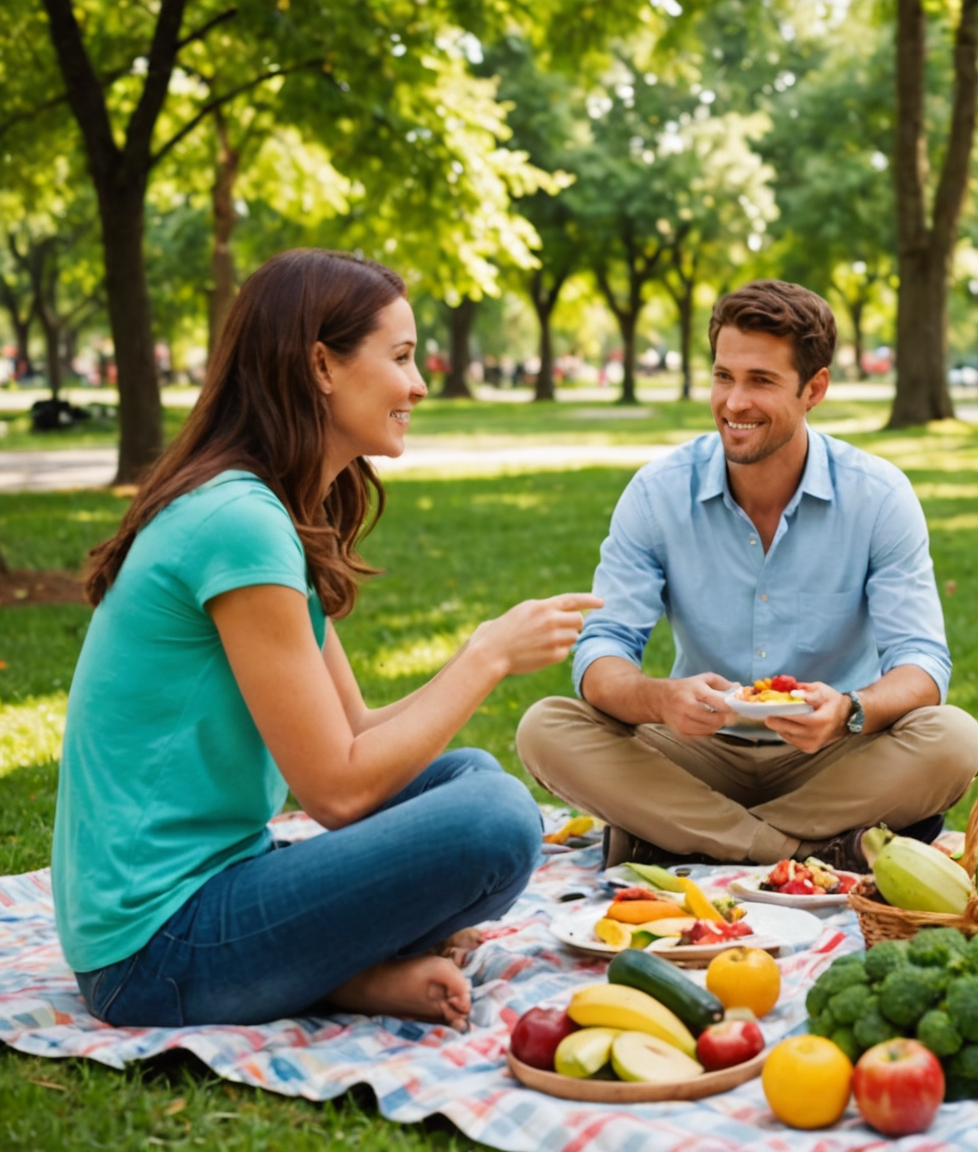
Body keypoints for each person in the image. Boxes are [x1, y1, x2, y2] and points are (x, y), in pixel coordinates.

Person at [53, 249, 599, 1030]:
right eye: (401, 357)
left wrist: (474, 661)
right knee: (496, 821)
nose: (417, 385)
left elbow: (356, 739)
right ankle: (333, 969)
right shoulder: (239, 524)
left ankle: (343, 973)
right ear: (320, 365)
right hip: (151, 952)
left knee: (469, 775)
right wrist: (488, 657)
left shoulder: (268, 511)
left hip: (210, 893)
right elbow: (338, 793)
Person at [516, 280, 978, 870]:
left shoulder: (879, 496)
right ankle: (805, 852)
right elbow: (602, 651)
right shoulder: (658, 493)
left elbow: (922, 664)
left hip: (833, 755)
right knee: (546, 727)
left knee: (955, 738)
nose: (734, 403)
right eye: (722, 376)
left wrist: (849, 710)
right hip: (694, 751)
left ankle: (674, 837)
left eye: (760, 381)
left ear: (814, 389)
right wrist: (661, 699)